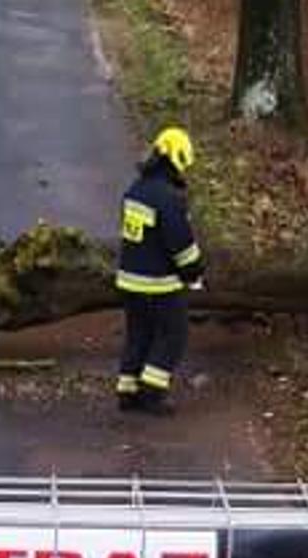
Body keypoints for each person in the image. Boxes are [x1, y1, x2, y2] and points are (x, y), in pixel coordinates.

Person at [115, 126, 205, 416]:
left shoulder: (136, 190)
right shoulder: (169, 198)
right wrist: (194, 272)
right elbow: (181, 244)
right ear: (175, 159)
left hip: (129, 282)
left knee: (138, 334)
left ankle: (127, 390)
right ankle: (152, 393)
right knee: (173, 335)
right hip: (159, 284)